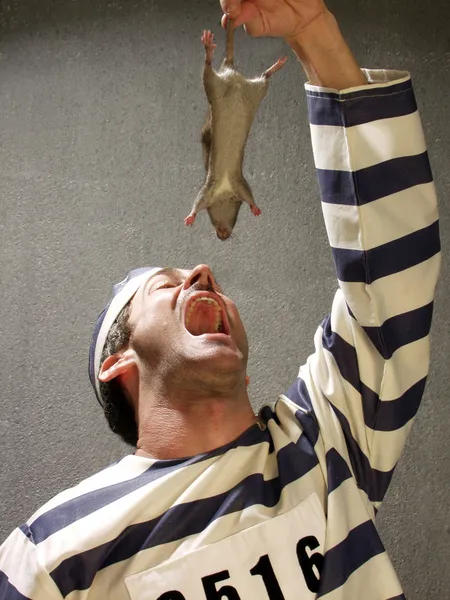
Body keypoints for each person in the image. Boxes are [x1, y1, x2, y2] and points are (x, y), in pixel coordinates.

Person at [0, 0, 441, 598]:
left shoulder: (327, 440)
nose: (204, 270)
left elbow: (393, 277)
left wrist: (313, 31)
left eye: (200, 272)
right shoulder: (49, 555)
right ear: (117, 361)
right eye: (164, 283)